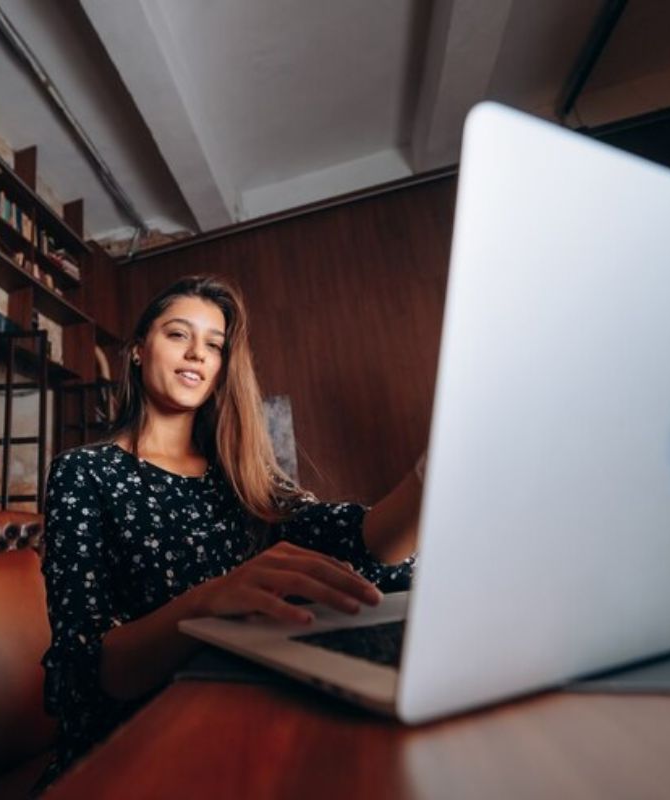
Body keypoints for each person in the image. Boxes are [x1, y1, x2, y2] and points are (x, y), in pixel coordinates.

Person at [38, 275, 422, 788]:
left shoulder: (246, 478)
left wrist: (427, 478)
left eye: (214, 346)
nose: (197, 353)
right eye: (178, 335)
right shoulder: (83, 473)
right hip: (140, 744)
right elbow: (83, 677)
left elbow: (359, 540)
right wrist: (208, 601)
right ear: (136, 351)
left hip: (249, 714)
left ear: (221, 370)